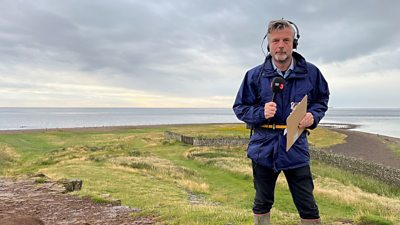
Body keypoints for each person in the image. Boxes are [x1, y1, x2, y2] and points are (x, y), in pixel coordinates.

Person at [233, 19, 329, 225]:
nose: (281, 45)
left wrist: (313, 116)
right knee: (262, 202)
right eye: (275, 40)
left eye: (286, 39)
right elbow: (240, 107)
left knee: (307, 203)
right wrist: (260, 113)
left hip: (296, 146)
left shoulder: (311, 73)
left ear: (294, 43)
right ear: (268, 44)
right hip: (263, 147)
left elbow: (321, 100)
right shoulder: (254, 75)